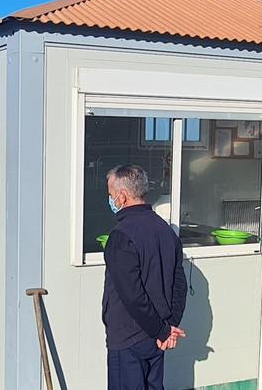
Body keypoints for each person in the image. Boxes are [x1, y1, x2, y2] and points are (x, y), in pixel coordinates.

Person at [102, 165, 188, 390]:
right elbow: (180, 283)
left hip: (129, 337)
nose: (110, 200)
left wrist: (163, 329)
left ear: (121, 196)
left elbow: (132, 295)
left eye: (111, 195)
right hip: (157, 337)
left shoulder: (121, 237)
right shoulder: (166, 230)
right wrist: (169, 326)